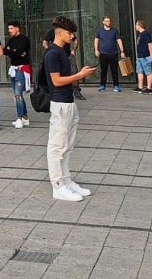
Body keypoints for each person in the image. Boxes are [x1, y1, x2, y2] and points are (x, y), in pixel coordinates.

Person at [45, 15, 97, 201]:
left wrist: (80, 73)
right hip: (59, 104)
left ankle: (66, 180)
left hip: (68, 103)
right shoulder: (52, 53)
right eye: (69, 33)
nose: (72, 36)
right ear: (59, 33)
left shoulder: (62, 51)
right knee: (57, 146)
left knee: (67, 146)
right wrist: (80, 75)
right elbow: (56, 81)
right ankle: (57, 185)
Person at [3, 21, 31, 128]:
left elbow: (18, 53)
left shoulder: (24, 40)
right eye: (9, 29)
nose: (9, 31)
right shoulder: (11, 40)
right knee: (16, 94)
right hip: (14, 69)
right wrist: (11, 51)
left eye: (11, 28)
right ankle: (24, 117)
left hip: (22, 69)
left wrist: (12, 51)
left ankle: (19, 117)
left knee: (18, 94)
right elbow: (6, 51)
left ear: (17, 28)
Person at [94, 16, 125, 92]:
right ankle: (102, 85)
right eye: (107, 21)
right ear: (103, 22)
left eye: (109, 21)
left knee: (114, 70)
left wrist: (122, 51)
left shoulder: (114, 31)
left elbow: (119, 40)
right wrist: (96, 50)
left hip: (113, 53)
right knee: (103, 70)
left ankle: (116, 85)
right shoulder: (99, 31)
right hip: (103, 53)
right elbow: (96, 40)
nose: (108, 22)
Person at [133, 20, 152, 94]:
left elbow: (150, 45)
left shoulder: (145, 34)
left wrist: (151, 56)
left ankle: (149, 88)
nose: (135, 27)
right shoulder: (140, 34)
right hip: (140, 56)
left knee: (148, 72)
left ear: (140, 25)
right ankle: (140, 87)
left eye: (136, 25)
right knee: (139, 71)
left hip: (145, 56)